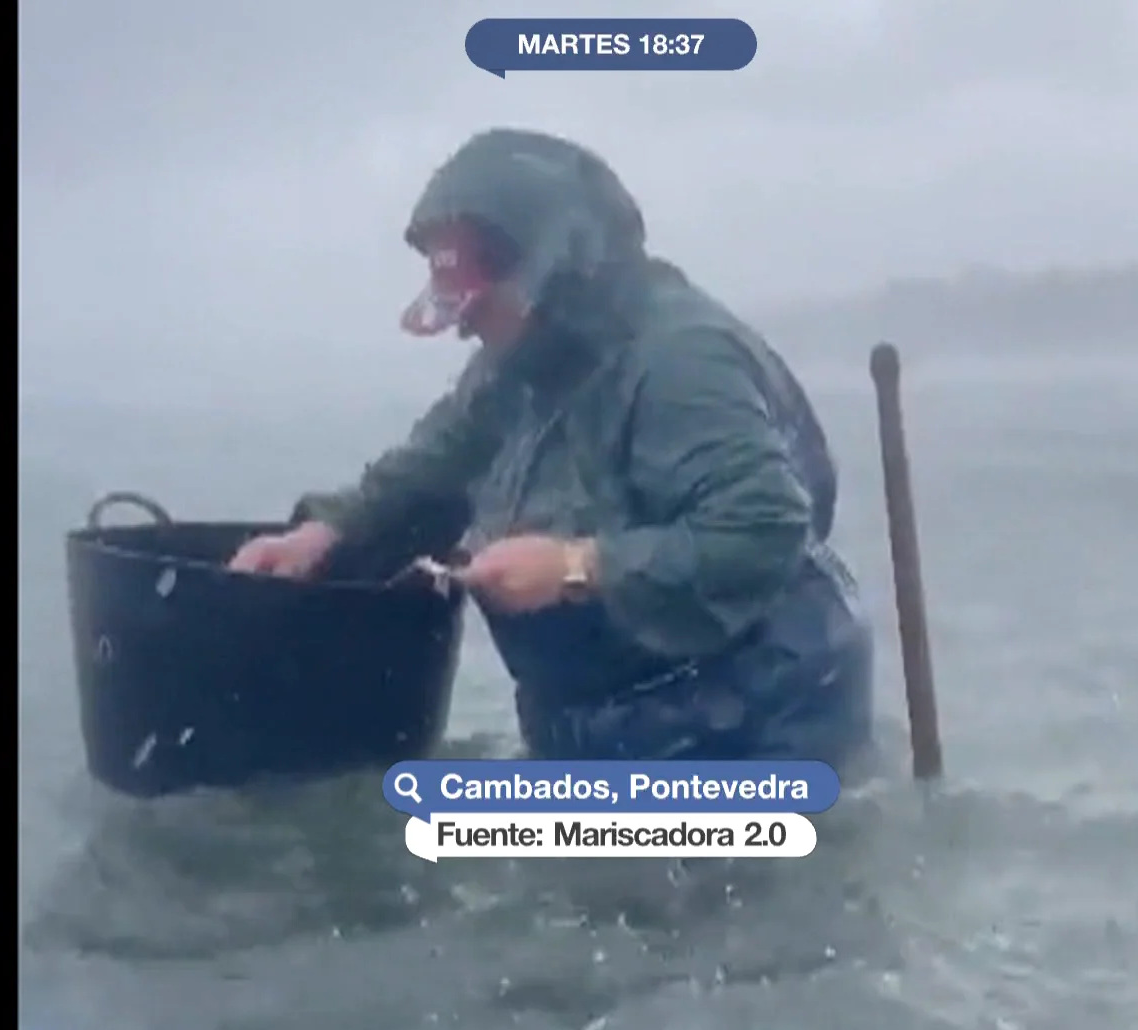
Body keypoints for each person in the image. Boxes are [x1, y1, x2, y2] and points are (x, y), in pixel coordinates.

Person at [230, 128, 873, 770]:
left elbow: (763, 526)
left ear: (553, 271)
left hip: (755, 715)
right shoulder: (515, 363)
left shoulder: (680, 359)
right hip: (596, 719)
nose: (465, 329)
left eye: (479, 305)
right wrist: (325, 532)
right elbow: (435, 462)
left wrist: (575, 566)